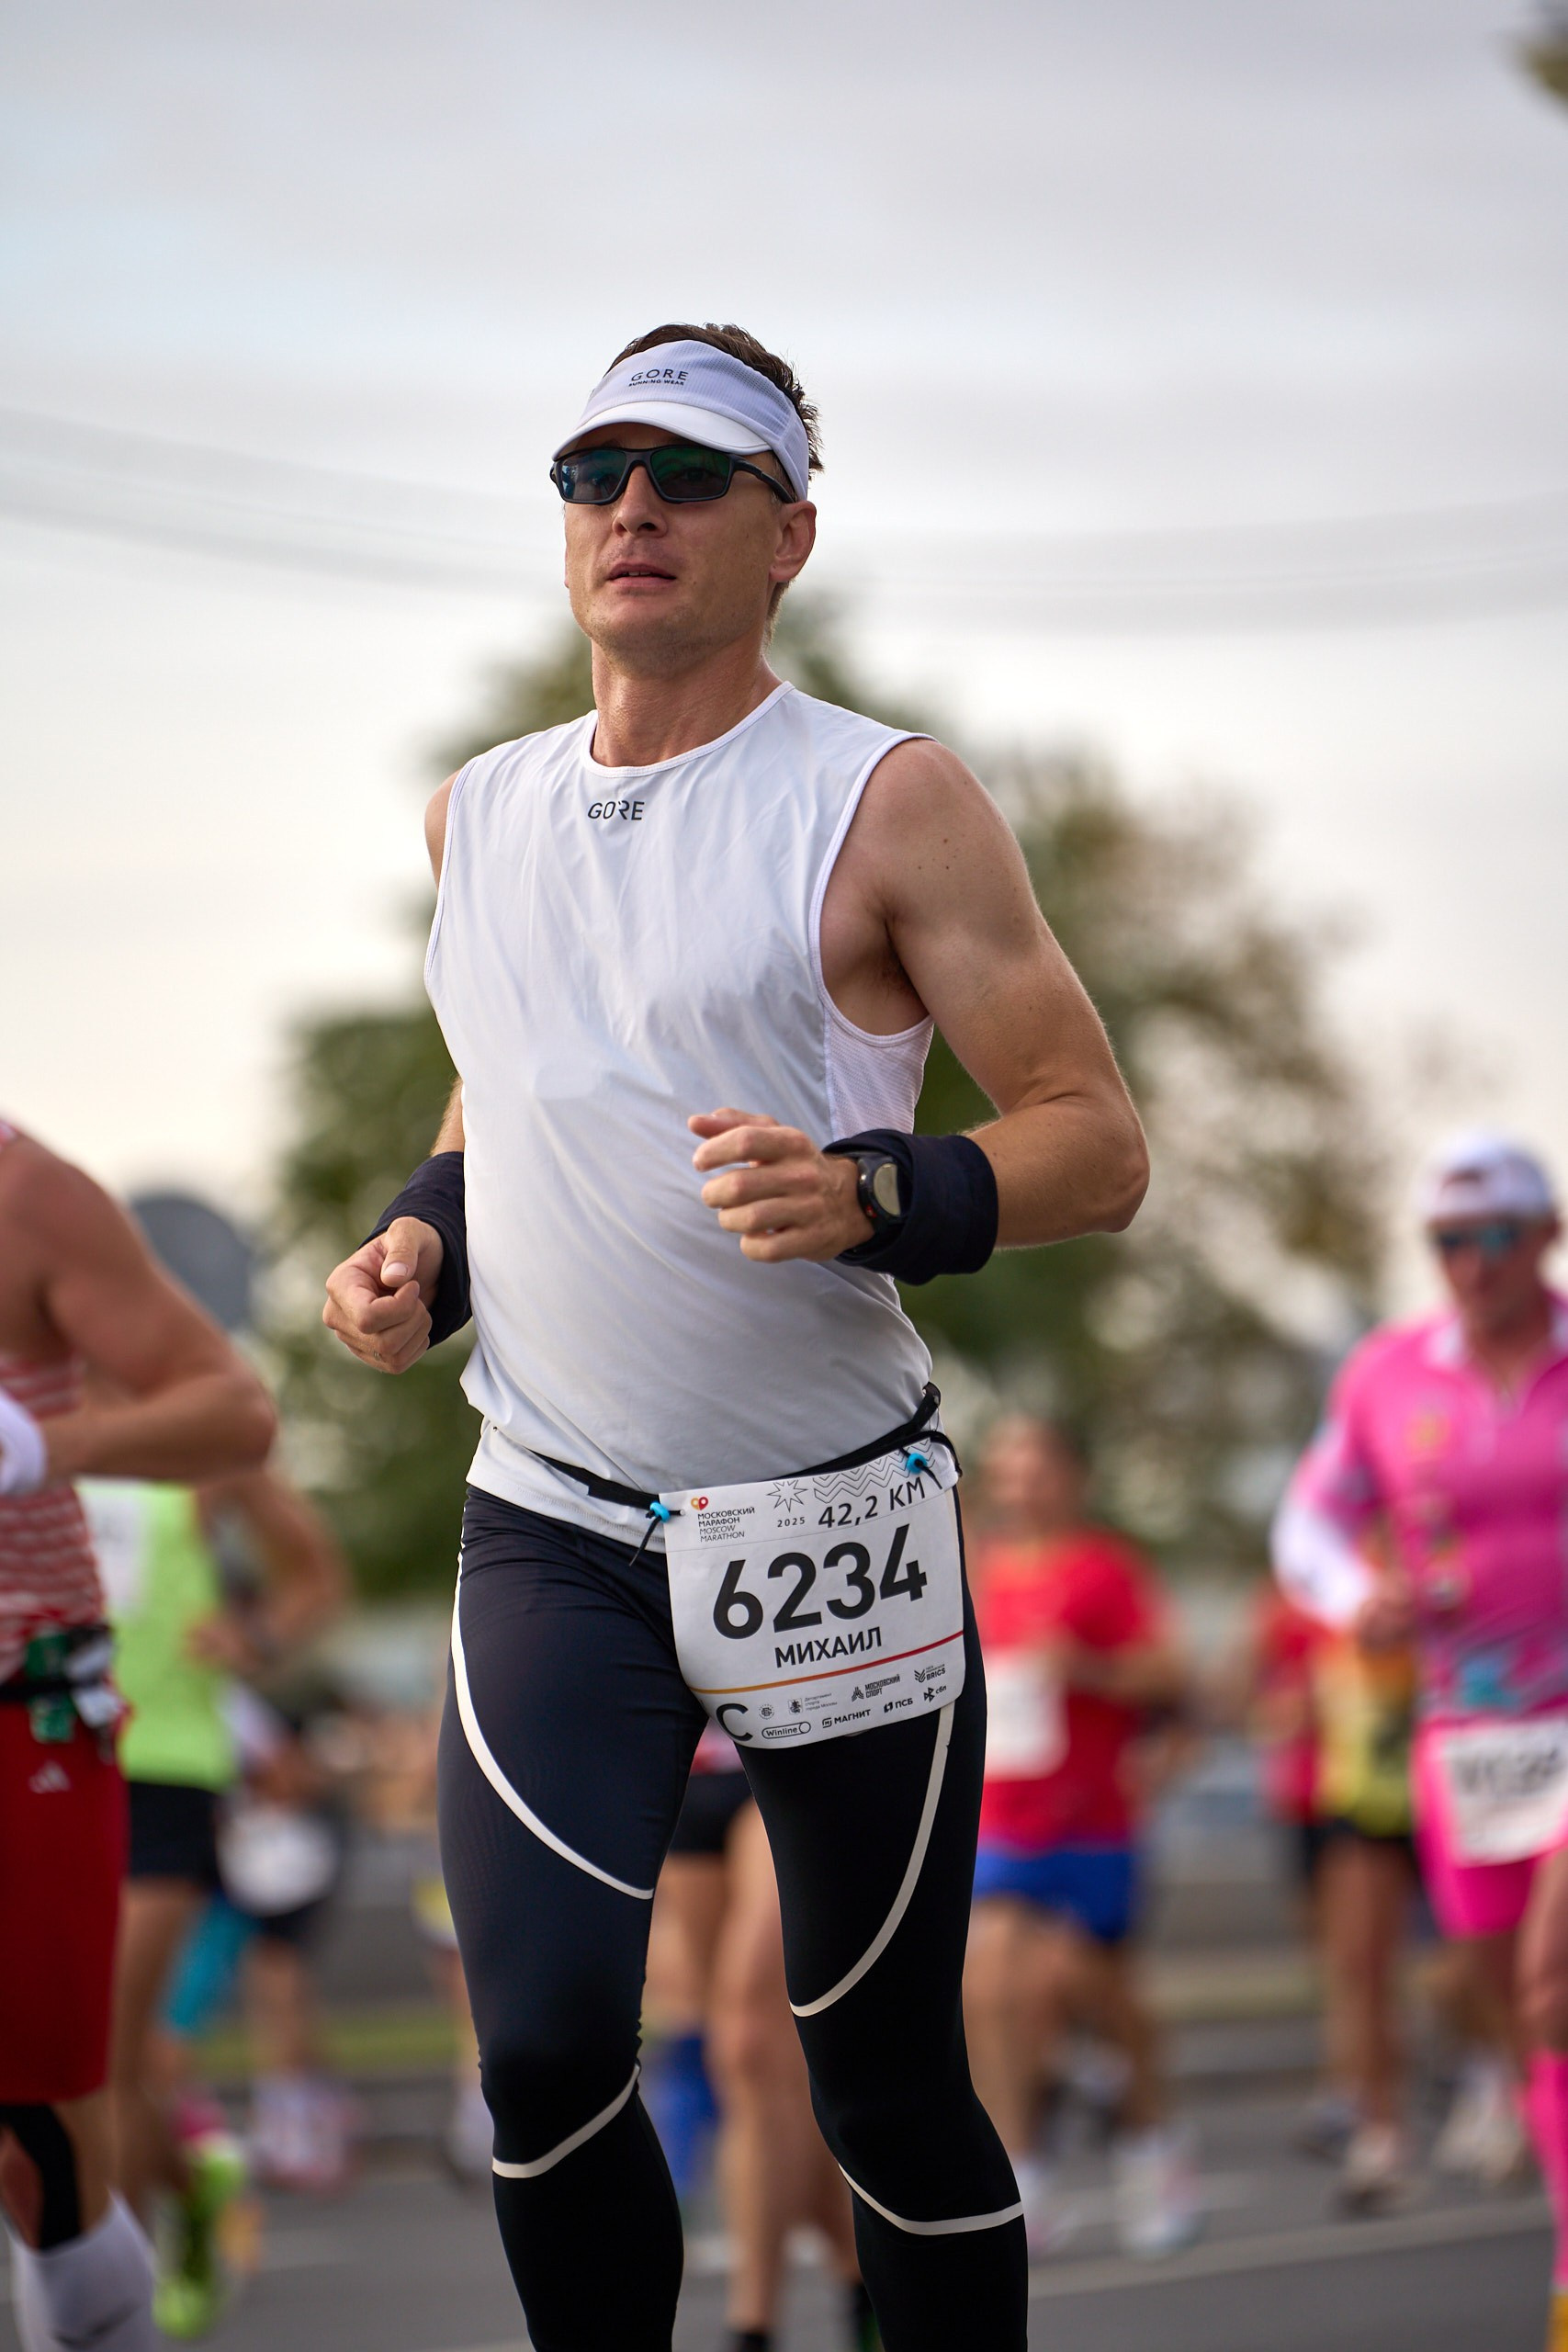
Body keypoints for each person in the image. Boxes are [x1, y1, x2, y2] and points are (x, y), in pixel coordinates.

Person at [323, 320, 1148, 2352]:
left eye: (688, 474)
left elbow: (1095, 1143)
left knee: (876, 2080)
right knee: (538, 2048)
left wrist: (879, 1189)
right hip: (556, 1520)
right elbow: (508, 1083)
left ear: (785, 533)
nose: (631, 508)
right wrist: (420, 1238)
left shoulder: (886, 800)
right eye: (592, 473)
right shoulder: (474, 817)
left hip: (826, 1524)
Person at [1273, 1131, 1568, 2349]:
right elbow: (1304, 1527)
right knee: (1519, 2014)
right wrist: (1359, 1599)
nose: (1470, 1263)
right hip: (1465, 1741)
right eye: (1446, 1242)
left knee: (1554, 1979)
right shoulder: (1386, 1375)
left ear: (1543, 1236)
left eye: (1493, 1237)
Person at [0, 1117, 273, 2352]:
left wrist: (39, 1448)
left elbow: (243, 1418)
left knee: (57, 2116)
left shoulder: (29, 1195)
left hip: (64, 1722)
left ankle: (131, 2257)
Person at [83, 1464, 344, 2325]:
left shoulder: (195, 1436)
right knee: (64, 2071)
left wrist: (257, 1635)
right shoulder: (27, 1427)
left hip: (162, 1769)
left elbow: (315, 1573)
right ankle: (192, 2184)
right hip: (41, 1758)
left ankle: (115, 2317)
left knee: (107, 2053)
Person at [960, 1413, 1196, 2259]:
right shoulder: (973, 1570)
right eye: (1006, 1468)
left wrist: (1086, 1667)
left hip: (1092, 1821)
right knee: (990, 1983)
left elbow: (1170, 1673)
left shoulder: (1105, 1567)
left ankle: (1152, 2147)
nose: (1020, 1484)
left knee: (1099, 1993)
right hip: (1000, 1820)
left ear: (1070, 1477)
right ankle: (1020, 2172)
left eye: (1036, 1467)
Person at [644, 1727, 877, 2352]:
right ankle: (868, 2281)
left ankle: (752, 2326)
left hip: (788, 1748)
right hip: (679, 1769)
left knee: (746, 2042)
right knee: (758, 2076)